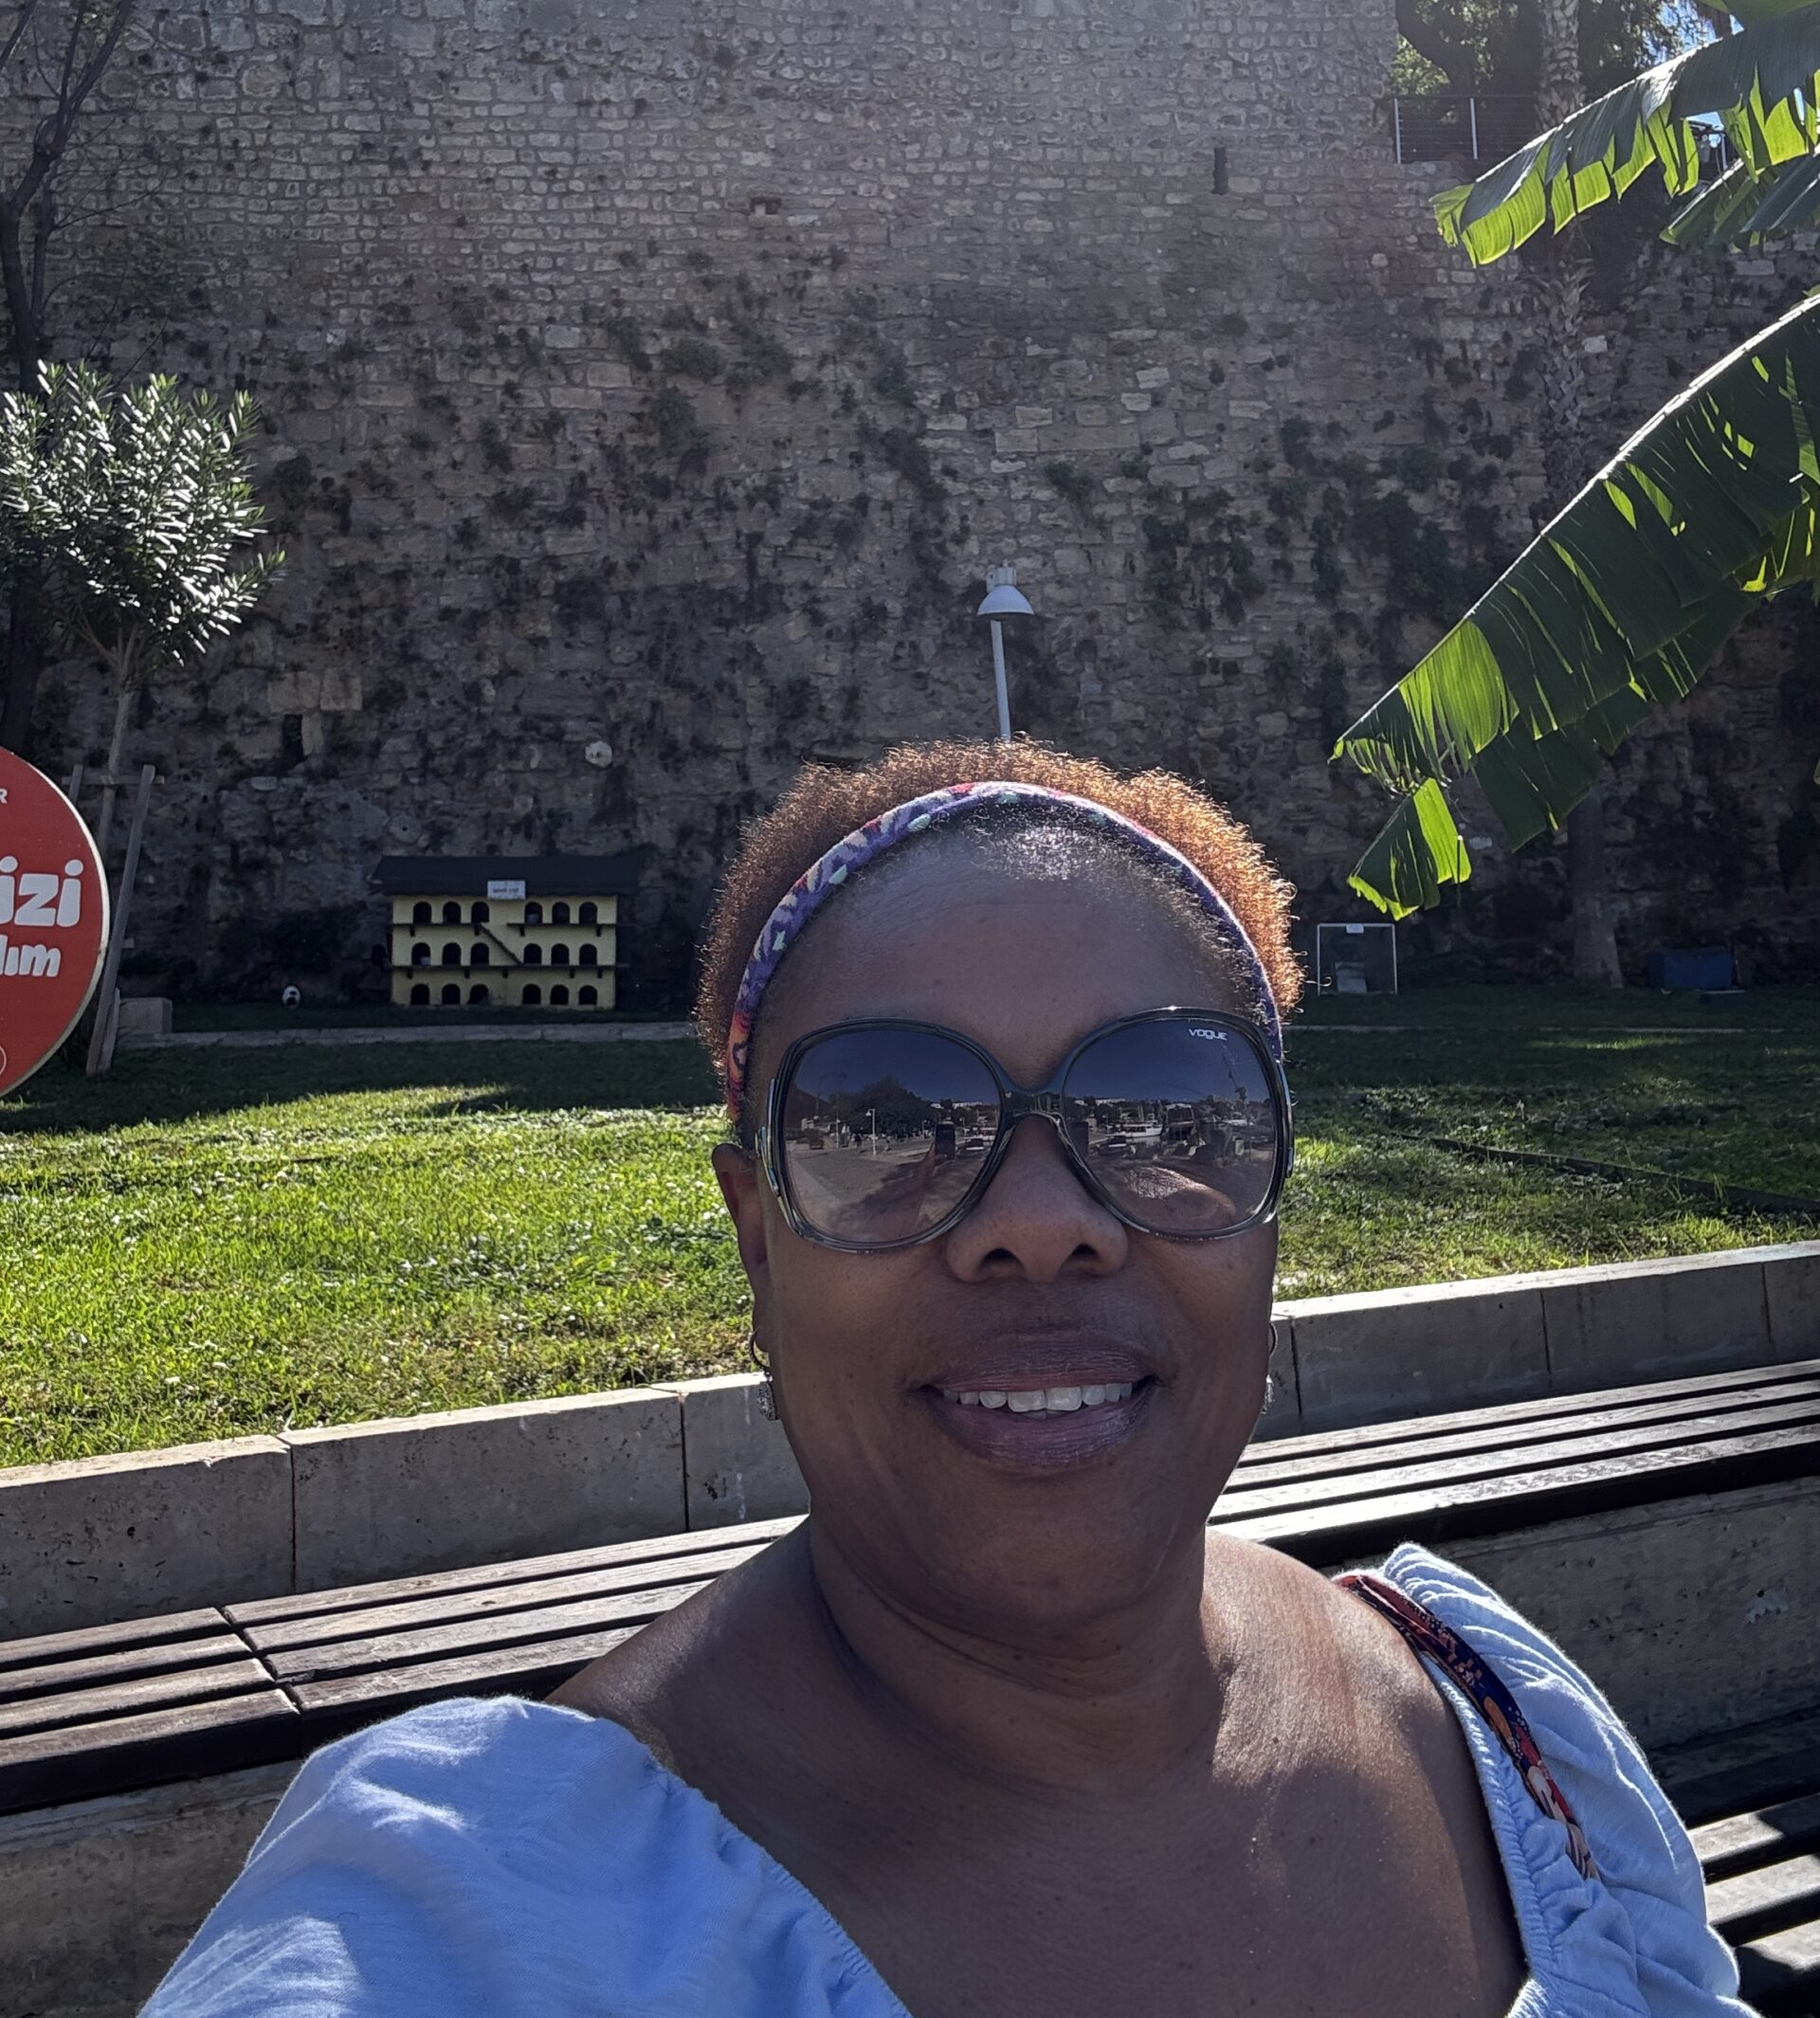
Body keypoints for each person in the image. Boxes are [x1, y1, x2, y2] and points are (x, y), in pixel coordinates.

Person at [145, 742, 1748, 2017]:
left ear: (1272, 1201)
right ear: (758, 1236)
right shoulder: (473, 1914)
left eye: (1164, 1110)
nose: (1039, 1224)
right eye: (887, 1123)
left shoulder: (1500, 1727)